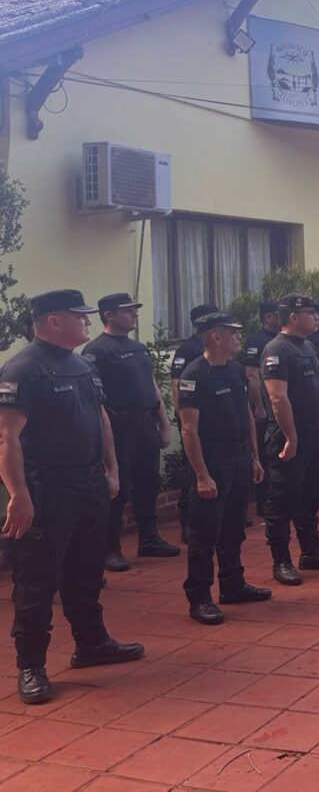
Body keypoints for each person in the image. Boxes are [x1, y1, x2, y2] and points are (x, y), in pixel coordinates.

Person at [0, 289, 144, 705]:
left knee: (85, 571)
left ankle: (91, 644)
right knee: (36, 581)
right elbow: (7, 437)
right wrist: (18, 495)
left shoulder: (83, 364)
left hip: (89, 484)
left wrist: (111, 467)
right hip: (47, 488)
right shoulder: (23, 368)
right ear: (52, 322)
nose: (86, 322)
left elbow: (101, 417)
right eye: (77, 316)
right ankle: (31, 666)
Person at [177, 313, 270, 625]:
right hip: (212, 459)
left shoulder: (233, 369)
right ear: (216, 338)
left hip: (239, 456)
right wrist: (202, 474)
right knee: (204, 533)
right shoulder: (195, 373)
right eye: (233, 333)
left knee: (233, 528)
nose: (239, 339)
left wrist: (255, 457)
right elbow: (188, 430)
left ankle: (233, 584)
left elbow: (246, 415)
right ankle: (200, 597)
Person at [82, 293, 177, 573]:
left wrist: (164, 422)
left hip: (144, 423)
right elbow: (93, 397)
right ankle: (109, 548)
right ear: (108, 315)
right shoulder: (97, 350)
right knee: (116, 487)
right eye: (128, 311)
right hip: (118, 425)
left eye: (134, 310)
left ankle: (149, 539)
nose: (134, 315)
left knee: (148, 482)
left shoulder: (138, 348)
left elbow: (150, 385)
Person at [260, 294, 319, 585]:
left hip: (315, 431)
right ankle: (281, 560)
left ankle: (311, 551)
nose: (317, 318)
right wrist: (291, 437)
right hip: (289, 435)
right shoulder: (277, 349)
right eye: (311, 313)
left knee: (311, 495)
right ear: (293, 317)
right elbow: (277, 397)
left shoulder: (308, 346)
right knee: (283, 499)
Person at [171, 303, 219, 541]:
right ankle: (187, 524)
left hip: (213, 423)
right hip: (192, 422)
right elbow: (176, 385)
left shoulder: (217, 350)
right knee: (192, 473)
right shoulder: (187, 350)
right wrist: (183, 420)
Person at [243, 300, 281, 518]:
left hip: (279, 406)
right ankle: (263, 503)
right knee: (265, 453)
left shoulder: (281, 340)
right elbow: (251, 375)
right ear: (268, 318)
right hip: (265, 407)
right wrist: (258, 406)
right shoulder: (257, 341)